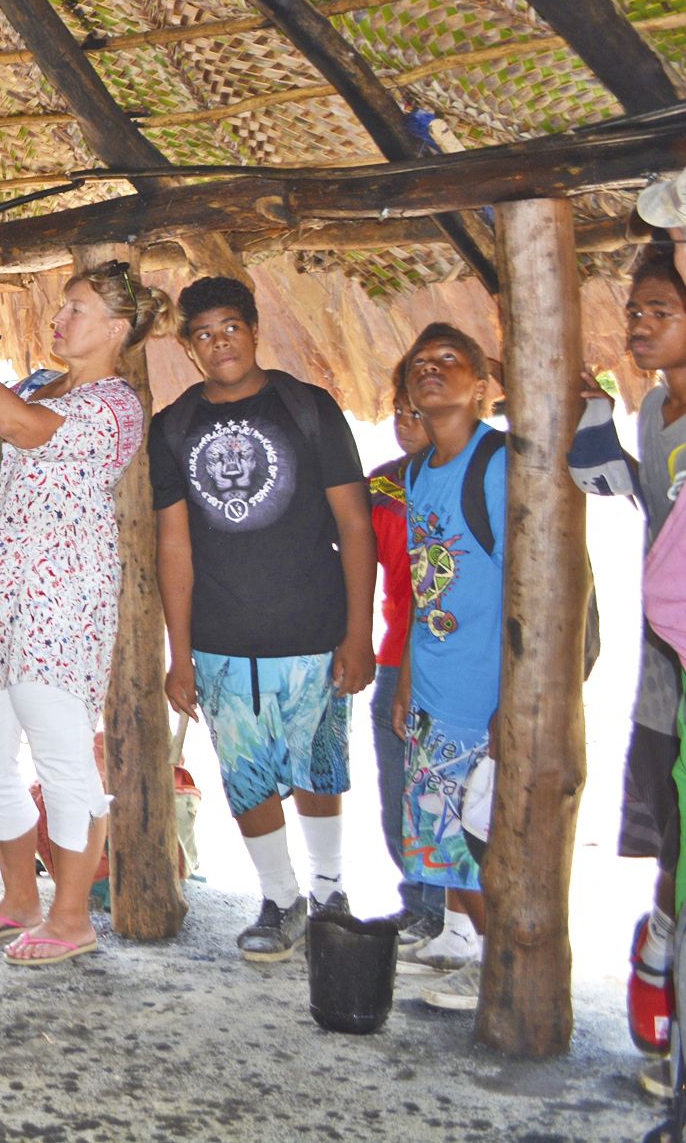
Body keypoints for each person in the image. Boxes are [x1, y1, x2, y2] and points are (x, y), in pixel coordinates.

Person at [0, 263, 168, 965]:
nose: (61, 321)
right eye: (63, 308)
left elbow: (20, 429)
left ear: (117, 330)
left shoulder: (117, 404)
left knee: (64, 759)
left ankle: (71, 918)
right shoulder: (33, 383)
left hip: (59, 595)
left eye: (79, 310)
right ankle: (18, 899)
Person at [153, 275, 375, 963]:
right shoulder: (174, 427)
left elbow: (356, 524)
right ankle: (281, 898)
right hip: (223, 642)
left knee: (319, 769)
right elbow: (174, 544)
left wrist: (359, 633)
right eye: (204, 334)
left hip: (314, 631)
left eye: (230, 328)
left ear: (254, 330)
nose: (219, 344)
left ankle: (331, 890)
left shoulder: (307, 408)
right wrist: (181, 654)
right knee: (246, 776)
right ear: (189, 348)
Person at [581, 248, 686, 1092]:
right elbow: (631, 493)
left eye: (658, 309)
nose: (639, 324)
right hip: (666, 663)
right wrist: (588, 413)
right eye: (635, 310)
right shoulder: (655, 410)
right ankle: (662, 946)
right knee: (673, 828)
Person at [391, 323, 506, 1012]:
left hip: (484, 696)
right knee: (450, 837)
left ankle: (502, 975)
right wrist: (406, 676)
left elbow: (538, 588)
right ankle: (470, 951)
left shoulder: (496, 464)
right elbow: (424, 586)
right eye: (421, 363)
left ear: (482, 385)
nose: (431, 369)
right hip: (434, 688)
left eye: (449, 360)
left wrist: (513, 708)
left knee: (487, 840)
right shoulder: (417, 471)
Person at [367, 378, 445, 945]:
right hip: (394, 659)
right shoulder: (382, 489)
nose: (406, 422)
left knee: (442, 794)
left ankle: (448, 914)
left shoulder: (482, 478)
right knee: (399, 793)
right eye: (400, 412)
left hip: (452, 666)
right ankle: (418, 903)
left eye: (419, 412)